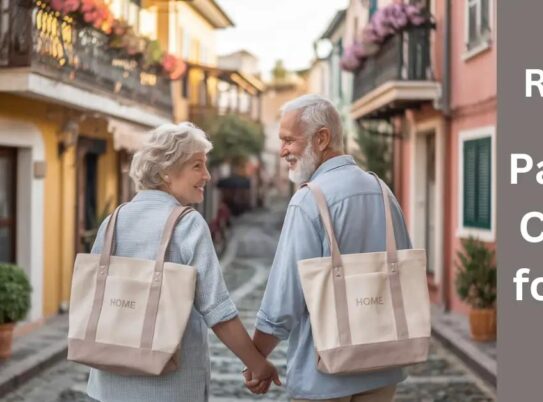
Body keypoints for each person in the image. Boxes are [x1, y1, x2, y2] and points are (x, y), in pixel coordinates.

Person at [87, 122, 280, 402]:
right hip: (169, 389)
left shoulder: (113, 221)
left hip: (107, 388)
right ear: (167, 170)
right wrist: (257, 363)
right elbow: (217, 310)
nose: (208, 176)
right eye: (197, 166)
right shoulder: (187, 224)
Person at [244, 95, 411, 401]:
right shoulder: (383, 192)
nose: (282, 151)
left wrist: (255, 359)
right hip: (383, 365)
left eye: (288, 141)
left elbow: (283, 300)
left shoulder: (309, 200)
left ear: (321, 138)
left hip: (325, 374)